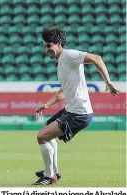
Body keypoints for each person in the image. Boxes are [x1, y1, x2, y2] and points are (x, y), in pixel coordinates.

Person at [33, 25, 120, 185]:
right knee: (47, 129)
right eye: (44, 46)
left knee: (42, 136)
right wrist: (46, 104)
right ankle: (54, 171)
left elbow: (97, 59)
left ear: (58, 42)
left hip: (79, 113)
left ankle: (48, 175)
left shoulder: (69, 55)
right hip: (72, 110)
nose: (46, 49)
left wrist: (108, 82)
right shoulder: (61, 62)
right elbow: (63, 92)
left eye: (49, 46)